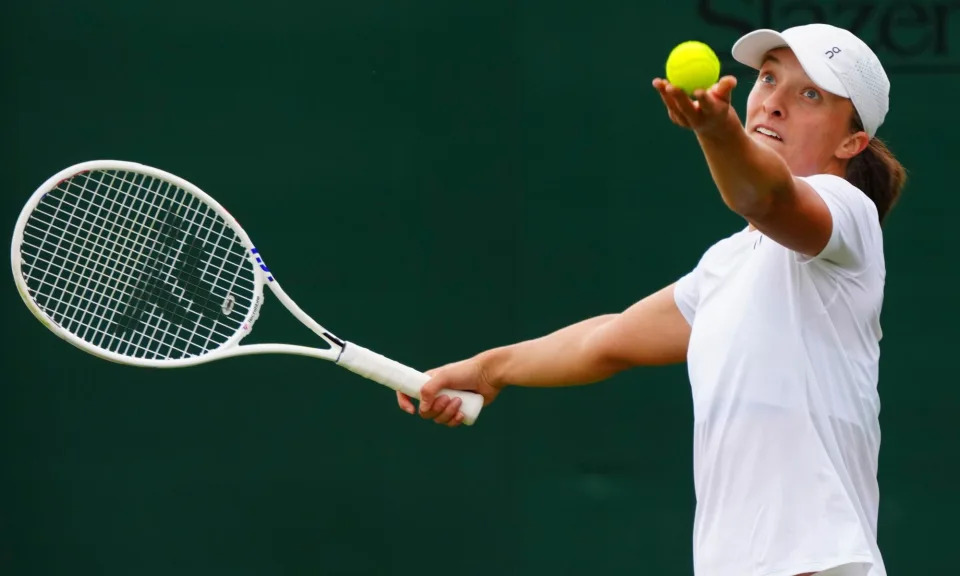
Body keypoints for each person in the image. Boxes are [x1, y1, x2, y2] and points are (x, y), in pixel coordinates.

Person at [396, 22, 906, 576]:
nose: (774, 103)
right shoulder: (727, 267)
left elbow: (764, 196)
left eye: (810, 94)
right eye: (767, 78)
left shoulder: (847, 214)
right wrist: (489, 370)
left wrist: (717, 131)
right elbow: (605, 341)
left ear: (850, 142)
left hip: (818, 565)